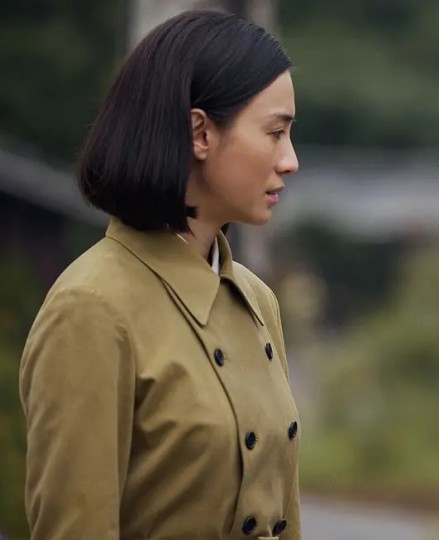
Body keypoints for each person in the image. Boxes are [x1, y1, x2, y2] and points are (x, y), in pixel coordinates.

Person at [18, 10, 302, 539]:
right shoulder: (92, 309)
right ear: (200, 132)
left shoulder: (256, 300)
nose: (290, 160)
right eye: (275, 133)